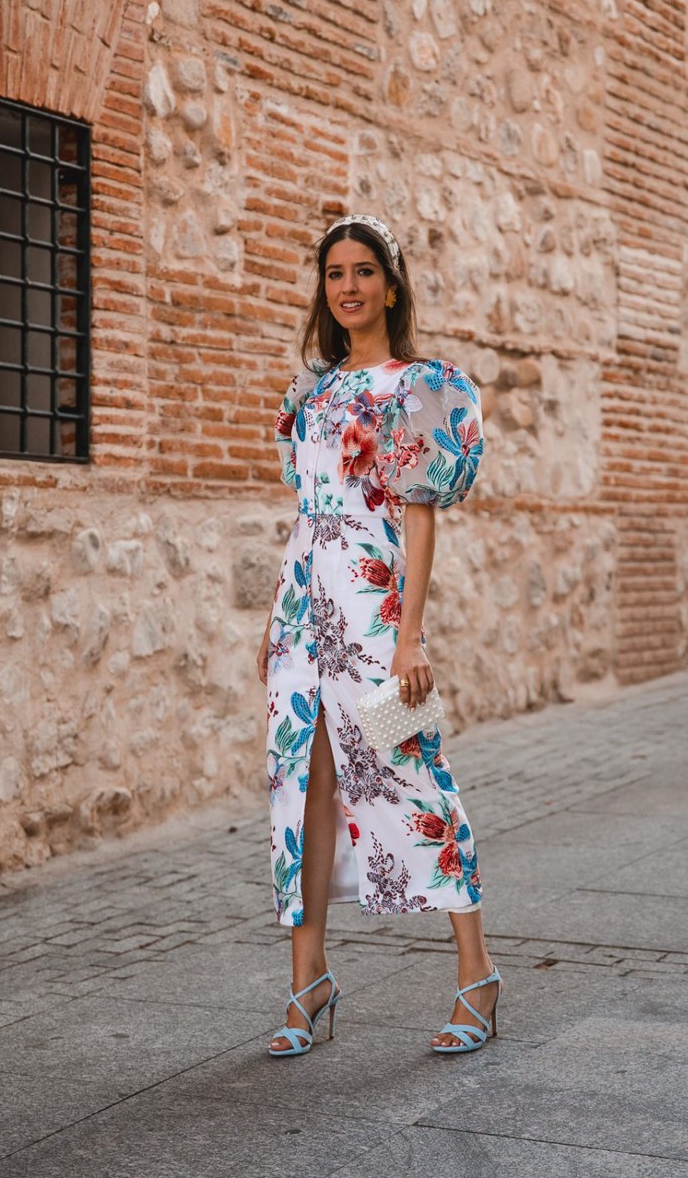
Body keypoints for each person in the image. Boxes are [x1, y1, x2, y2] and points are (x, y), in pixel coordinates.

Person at [256, 213, 503, 1056]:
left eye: (364, 271)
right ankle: (308, 982)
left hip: (373, 619)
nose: (349, 286)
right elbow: (305, 516)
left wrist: (411, 636)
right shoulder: (313, 393)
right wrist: (276, 617)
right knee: (302, 790)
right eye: (335, 274)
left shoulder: (416, 388)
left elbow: (420, 520)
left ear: (390, 285)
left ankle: (476, 974)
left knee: (408, 772)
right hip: (302, 620)